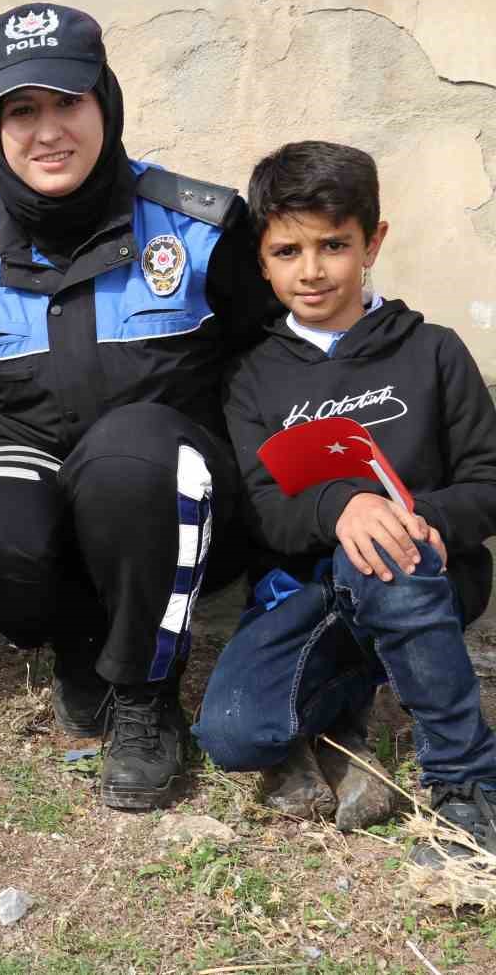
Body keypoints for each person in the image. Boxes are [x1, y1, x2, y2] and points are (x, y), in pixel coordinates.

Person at [0, 3, 280, 810]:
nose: (47, 131)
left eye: (68, 102)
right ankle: (86, 646)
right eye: (23, 110)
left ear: (106, 104)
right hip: (42, 476)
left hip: (180, 498)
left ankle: (145, 695)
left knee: (128, 455)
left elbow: (283, 352)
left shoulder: (195, 227)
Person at [194, 142, 496, 863]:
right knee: (234, 734)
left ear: (373, 243)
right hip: (305, 589)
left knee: (388, 547)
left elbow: (488, 481)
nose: (312, 269)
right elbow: (264, 507)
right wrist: (339, 508)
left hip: (419, 571)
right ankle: (353, 700)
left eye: (334, 245)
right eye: (288, 250)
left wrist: (420, 518)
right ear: (261, 260)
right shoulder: (252, 377)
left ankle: (465, 787)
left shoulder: (434, 352)